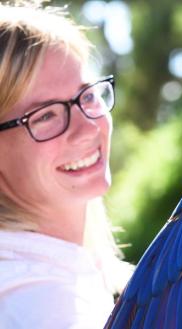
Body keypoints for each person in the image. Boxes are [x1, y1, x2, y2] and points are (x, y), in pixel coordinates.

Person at [0, 1, 132, 328]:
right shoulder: (42, 305)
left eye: (87, 96)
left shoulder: (65, 267)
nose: (87, 128)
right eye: (45, 115)